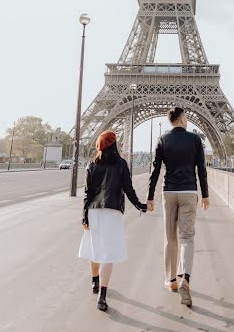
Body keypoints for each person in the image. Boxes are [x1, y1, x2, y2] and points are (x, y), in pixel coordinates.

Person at [147, 107, 210, 307]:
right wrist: (205, 195)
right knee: (187, 237)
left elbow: (155, 169)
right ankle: (185, 278)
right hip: (189, 192)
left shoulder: (163, 139)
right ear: (182, 119)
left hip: (169, 192)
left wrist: (150, 197)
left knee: (170, 238)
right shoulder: (195, 139)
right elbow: (202, 168)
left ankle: (171, 280)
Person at [78, 130, 147, 311]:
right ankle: (102, 296)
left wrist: (84, 216)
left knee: (95, 250)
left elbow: (87, 194)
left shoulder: (91, 165)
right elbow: (128, 189)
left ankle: (94, 281)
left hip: (93, 211)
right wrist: (140, 205)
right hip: (112, 212)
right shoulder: (121, 164)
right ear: (115, 145)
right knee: (107, 255)